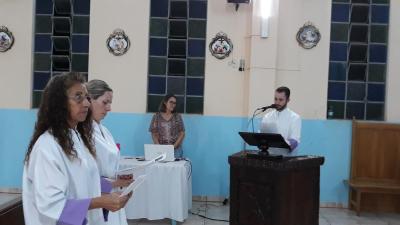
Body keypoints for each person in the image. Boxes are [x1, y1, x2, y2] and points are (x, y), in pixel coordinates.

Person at [23, 72, 131, 225]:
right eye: (78, 97)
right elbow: (52, 205)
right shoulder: (47, 147)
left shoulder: (77, 138)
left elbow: (86, 184)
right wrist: (101, 202)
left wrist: (110, 197)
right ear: (59, 103)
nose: (87, 103)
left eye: (86, 97)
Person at [86, 79, 132, 225]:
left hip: (112, 195)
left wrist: (120, 179)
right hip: (97, 197)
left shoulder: (104, 130)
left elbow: (109, 164)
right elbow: (84, 177)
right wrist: (115, 182)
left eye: (110, 103)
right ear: (89, 100)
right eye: (105, 102)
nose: (109, 108)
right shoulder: (82, 133)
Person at [260, 86, 301, 155]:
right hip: (268, 156)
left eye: (281, 100)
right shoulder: (267, 116)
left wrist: (285, 143)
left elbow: (295, 140)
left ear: (288, 100)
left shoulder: (295, 118)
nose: (277, 102)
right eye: (275, 99)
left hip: (286, 158)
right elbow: (262, 137)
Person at [149, 94, 185, 158]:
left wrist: (174, 147)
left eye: (174, 103)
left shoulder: (177, 116)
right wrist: (159, 147)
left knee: (175, 167)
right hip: (161, 150)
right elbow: (153, 133)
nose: (173, 104)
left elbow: (182, 133)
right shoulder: (157, 116)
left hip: (176, 150)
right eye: (171, 102)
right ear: (165, 102)